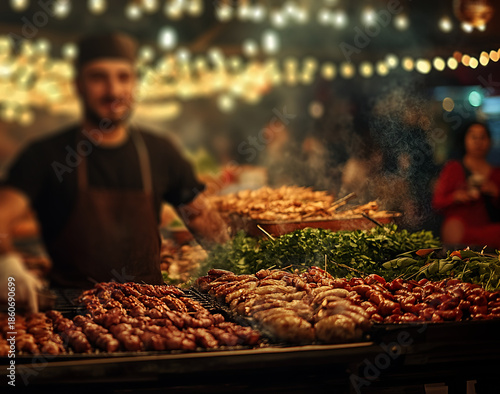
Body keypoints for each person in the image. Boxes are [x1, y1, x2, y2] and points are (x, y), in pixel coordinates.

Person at [0, 32, 229, 311]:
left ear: (134, 83)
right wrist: (5, 262)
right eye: (98, 77)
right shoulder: (44, 155)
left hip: (154, 317)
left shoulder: (160, 151)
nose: (113, 90)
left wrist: (234, 263)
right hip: (74, 320)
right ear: (78, 85)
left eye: (123, 77)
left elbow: (202, 218)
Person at [432, 122, 500, 248]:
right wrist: (455, 197)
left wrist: (496, 193)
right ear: (464, 140)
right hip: (459, 227)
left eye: (482, 137)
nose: (478, 142)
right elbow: (437, 202)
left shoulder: (496, 174)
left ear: (490, 141)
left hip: (487, 228)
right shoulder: (454, 168)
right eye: (473, 137)